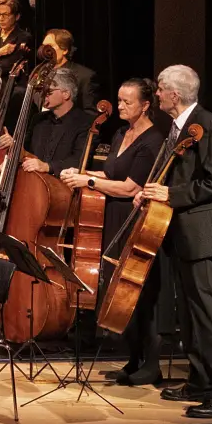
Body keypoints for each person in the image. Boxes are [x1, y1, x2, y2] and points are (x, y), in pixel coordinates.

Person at [140, 65, 212, 418]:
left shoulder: (206, 124)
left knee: (205, 311)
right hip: (184, 233)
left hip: (204, 234)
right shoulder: (180, 126)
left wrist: (170, 193)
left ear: (175, 95)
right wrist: (152, 192)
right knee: (189, 311)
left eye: (160, 89)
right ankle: (201, 381)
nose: (156, 94)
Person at [61, 78, 165, 386]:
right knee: (118, 292)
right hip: (113, 217)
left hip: (132, 219)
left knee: (138, 294)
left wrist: (88, 183)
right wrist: (80, 173)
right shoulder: (121, 132)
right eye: (118, 100)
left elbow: (129, 186)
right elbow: (109, 173)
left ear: (146, 105)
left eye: (127, 102)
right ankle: (134, 359)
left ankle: (152, 362)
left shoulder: (153, 140)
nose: (120, 106)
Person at [22, 67, 92, 176]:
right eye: (42, 91)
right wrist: (15, 147)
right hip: (33, 180)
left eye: (48, 91)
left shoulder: (85, 122)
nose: (43, 95)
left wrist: (47, 167)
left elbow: (79, 160)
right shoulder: (38, 119)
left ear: (66, 94)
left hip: (63, 185)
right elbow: (26, 151)